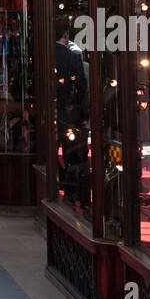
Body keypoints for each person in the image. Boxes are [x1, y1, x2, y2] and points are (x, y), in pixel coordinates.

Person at [54, 17, 90, 209]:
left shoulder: (45, 53)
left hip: (49, 113)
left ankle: (58, 179)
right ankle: (71, 188)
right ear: (66, 35)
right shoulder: (72, 56)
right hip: (69, 114)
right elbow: (82, 86)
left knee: (51, 152)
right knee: (71, 152)